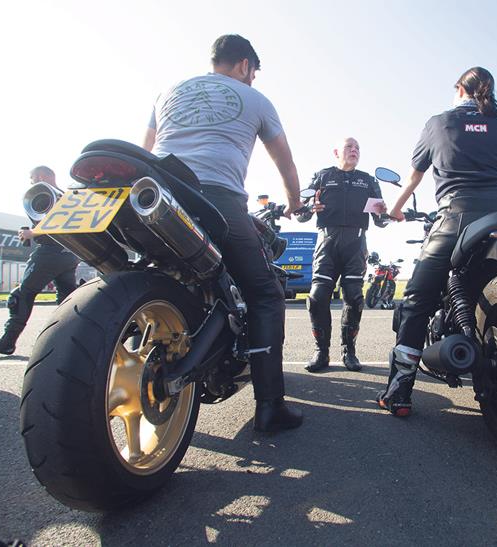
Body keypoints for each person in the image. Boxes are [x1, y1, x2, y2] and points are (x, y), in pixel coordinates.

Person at [142, 34, 303, 433]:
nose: (252, 80)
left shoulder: (168, 92)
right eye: (253, 74)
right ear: (247, 66)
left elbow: (145, 149)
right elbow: (284, 160)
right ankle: (270, 407)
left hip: (159, 193)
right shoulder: (256, 100)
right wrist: (295, 202)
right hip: (217, 199)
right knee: (264, 293)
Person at [377, 67, 497, 417]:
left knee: (416, 301)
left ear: (459, 89)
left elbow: (413, 178)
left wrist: (394, 211)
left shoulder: (438, 123)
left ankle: (399, 393)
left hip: (457, 216)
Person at [297, 138, 388, 373]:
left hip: (356, 245)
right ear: (337, 152)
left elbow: (380, 222)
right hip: (326, 243)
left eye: (358, 147)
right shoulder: (322, 176)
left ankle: (349, 351)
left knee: (354, 297)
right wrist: (308, 209)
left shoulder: (368, 180)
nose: (354, 150)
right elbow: (300, 212)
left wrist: (384, 213)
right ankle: (321, 352)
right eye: (350, 147)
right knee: (317, 298)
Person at [0, 166, 79, 355]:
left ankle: (8, 341)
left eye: (32, 179)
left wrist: (30, 233)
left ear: (42, 176)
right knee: (67, 299)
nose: (32, 183)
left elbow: (56, 223)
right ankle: (70, 342)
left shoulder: (48, 196)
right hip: (70, 253)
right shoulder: (69, 196)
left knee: (22, 294)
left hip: (50, 252)